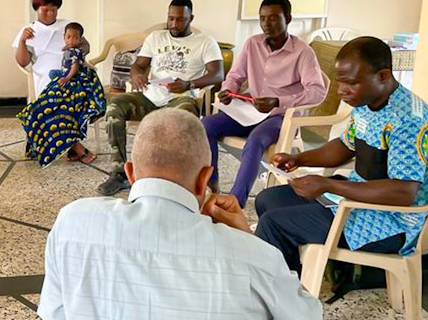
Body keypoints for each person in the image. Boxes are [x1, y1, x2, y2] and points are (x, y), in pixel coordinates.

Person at [38, 108, 323, 319]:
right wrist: (246, 238)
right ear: (205, 179)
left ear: (130, 173)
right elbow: (307, 315)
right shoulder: (256, 257)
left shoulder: (72, 222)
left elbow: (54, 313)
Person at [255, 37, 428, 274]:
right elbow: (343, 147)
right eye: (340, 82)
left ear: (383, 76)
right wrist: (299, 159)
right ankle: (293, 277)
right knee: (267, 200)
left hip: (391, 221)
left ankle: (277, 297)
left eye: (351, 83)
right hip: (358, 199)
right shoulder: (366, 102)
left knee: (275, 224)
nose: (341, 91)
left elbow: (403, 193)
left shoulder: (409, 120)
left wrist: (328, 185)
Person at [201, 0, 326, 207]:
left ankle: (235, 202)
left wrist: (278, 101)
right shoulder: (252, 44)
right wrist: (228, 89)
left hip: (281, 117)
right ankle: (211, 186)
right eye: (263, 18)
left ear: (288, 18)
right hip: (251, 112)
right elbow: (235, 75)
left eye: (274, 18)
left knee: (255, 141)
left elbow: (317, 92)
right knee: (205, 125)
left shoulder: (303, 52)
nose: (267, 24)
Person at [98, 0, 223, 196]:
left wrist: (188, 84)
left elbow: (217, 74)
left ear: (191, 17)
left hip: (180, 97)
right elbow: (138, 65)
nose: (174, 24)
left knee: (185, 116)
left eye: (180, 19)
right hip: (150, 96)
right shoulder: (156, 37)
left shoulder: (205, 42)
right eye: (170, 18)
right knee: (115, 106)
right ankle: (119, 172)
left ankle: (177, 177)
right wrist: (137, 74)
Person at [17, 21, 105, 166]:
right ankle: (68, 147)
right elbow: (22, 61)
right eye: (68, 37)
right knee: (38, 108)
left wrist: (66, 78)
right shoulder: (32, 31)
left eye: (75, 38)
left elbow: (75, 66)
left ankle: (75, 147)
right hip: (56, 80)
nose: (71, 40)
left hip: (72, 81)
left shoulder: (75, 49)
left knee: (59, 108)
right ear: (64, 37)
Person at [13, 0, 88, 97]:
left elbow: (86, 47)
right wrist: (22, 41)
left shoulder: (68, 26)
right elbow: (23, 62)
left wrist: (75, 49)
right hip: (45, 76)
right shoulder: (29, 30)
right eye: (46, 10)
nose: (51, 14)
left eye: (54, 10)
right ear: (37, 9)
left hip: (73, 72)